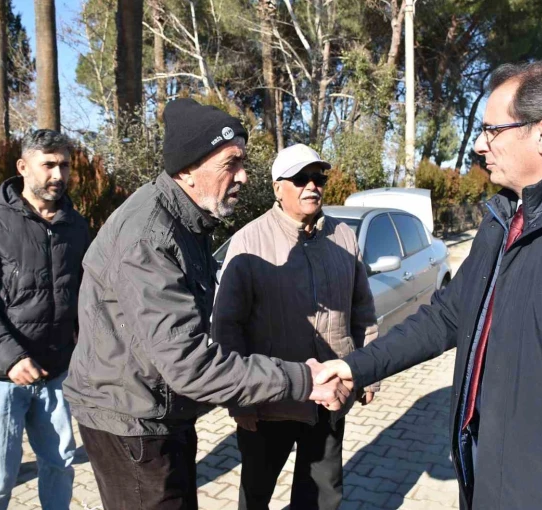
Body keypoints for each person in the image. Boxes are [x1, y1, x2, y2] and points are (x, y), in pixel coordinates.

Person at [313, 60, 542, 509]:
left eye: (492, 130)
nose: (478, 145)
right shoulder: (503, 221)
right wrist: (358, 367)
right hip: (485, 473)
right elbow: (446, 316)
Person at [63, 99, 351, 510]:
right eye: (231, 163)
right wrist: (303, 378)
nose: (244, 176)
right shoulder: (150, 238)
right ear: (187, 170)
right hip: (133, 423)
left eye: (243, 162)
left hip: (161, 411)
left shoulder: (188, 220)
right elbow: (191, 365)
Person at [212, 144, 379, 510]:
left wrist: (367, 373)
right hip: (270, 399)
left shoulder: (344, 237)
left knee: (322, 494)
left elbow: (362, 310)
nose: (312, 186)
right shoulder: (249, 242)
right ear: (277, 187)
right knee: (256, 493)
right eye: (300, 178)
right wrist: (237, 401)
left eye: (317, 178)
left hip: (332, 395)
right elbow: (227, 329)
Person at [0, 130, 90, 510]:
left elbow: (86, 295)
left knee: (61, 464)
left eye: (64, 164)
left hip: (55, 372)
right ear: (23, 166)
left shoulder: (75, 226)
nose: (58, 174)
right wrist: (11, 358)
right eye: (48, 164)